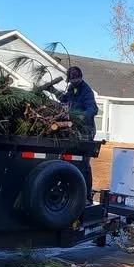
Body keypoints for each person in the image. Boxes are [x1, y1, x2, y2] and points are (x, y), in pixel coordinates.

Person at [59, 66, 98, 202]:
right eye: (71, 79)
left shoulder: (87, 91)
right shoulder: (70, 89)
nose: (73, 81)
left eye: (76, 79)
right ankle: (70, 192)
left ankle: (86, 196)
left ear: (80, 77)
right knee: (69, 161)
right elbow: (64, 100)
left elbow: (93, 109)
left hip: (86, 130)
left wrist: (82, 116)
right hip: (73, 130)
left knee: (83, 163)